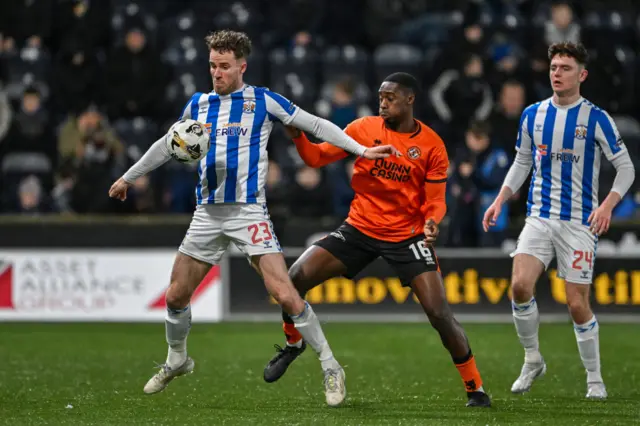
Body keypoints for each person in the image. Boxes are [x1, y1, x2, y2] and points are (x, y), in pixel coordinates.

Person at [108, 29, 397, 406]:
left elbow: (315, 124)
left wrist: (359, 149)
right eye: (212, 65)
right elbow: (167, 145)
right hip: (207, 213)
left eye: (224, 66)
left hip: (248, 211)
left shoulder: (262, 100)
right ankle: (177, 359)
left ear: (242, 66)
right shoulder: (197, 105)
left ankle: (330, 366)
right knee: (176, 294)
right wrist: (129, 177)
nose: (217, 73)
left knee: (285, 294)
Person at [263, 72, 492, 408]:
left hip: (407, 235)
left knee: (439, 312)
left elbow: (437, 199)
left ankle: (475, 388)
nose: (382, 103)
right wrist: (298, 137)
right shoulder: (362, 129)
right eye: (380, 97)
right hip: (359, 228)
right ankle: (293, 342)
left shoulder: (431, 145)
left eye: (391, 97)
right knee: (293, 278)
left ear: (410, 99)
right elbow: (315, 158)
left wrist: (431, 221)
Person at [483, 42, 635, 399]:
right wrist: (501, 198)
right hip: (539, 216)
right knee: (520, 286)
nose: (557, 73)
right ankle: (533, 358)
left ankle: (594, 378)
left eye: (565, 68)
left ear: (581, 75)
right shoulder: (533, 114)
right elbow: (522, 162)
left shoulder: (596, 118)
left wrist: (608, 205)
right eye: (553, 67)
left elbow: (626, 168)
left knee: (576, 303)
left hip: (580, 223)